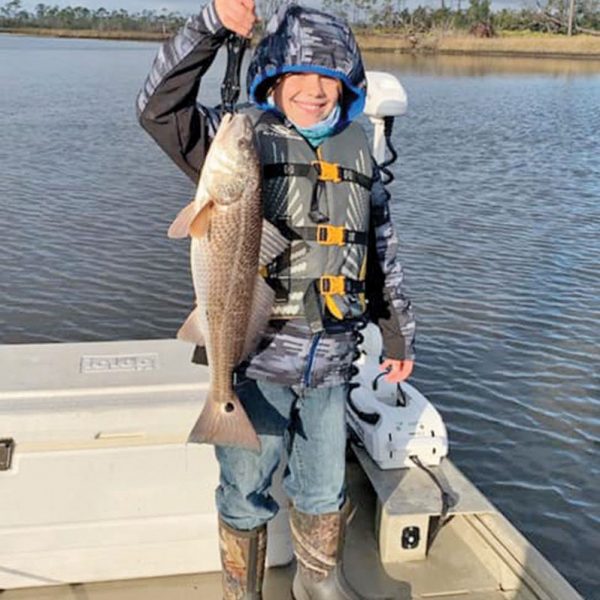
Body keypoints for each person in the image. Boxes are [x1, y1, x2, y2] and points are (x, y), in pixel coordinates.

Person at [137, 1, 416, 598]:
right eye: (298, 76)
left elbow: (381, 252)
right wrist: (210, 23)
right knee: (244, 487)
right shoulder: (236, 140)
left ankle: (320, 583)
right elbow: (157, 107)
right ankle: (243, 591)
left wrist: (398, 332)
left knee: (323, 489)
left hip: (333, 359)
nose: (314, 91)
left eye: (329, 78)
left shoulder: (361, 149)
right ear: (272, 79)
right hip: (254, 358)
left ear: (348, 83)